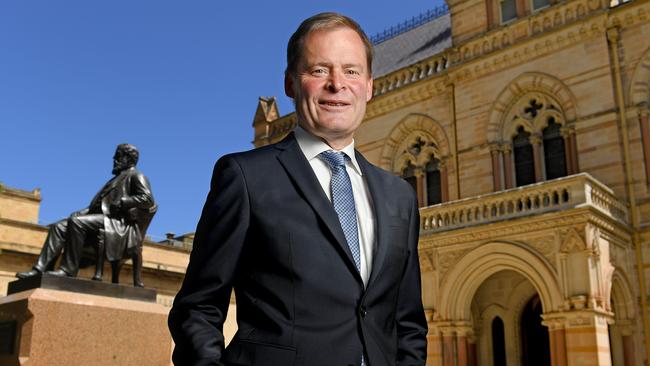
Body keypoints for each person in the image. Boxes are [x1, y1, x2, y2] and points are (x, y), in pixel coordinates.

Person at [168, 12, 427, 366]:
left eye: (351, 71)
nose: (337, 84)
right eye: (319, 70)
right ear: (290, 83)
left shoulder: (400, 195)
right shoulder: (245, 176)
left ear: (369, 85)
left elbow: (408, 321)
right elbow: (198, 308)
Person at [16, 143, 155, 286]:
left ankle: (68, 270)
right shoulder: (115, 179)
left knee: (76, 222)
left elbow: (147, 198)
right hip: (101, 219)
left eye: (118, 156)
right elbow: (95, 207)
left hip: (117, 223)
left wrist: (124, 201)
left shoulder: (136, 176)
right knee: (58, 226)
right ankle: (40, 268)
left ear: (129, 158)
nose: (114, 159)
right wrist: (80, 213)